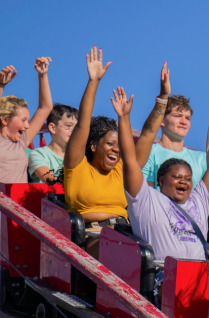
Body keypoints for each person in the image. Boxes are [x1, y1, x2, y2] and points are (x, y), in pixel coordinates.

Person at [113, 73, 209, 261]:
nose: (184, 182)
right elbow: (131, 161)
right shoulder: (147, 200)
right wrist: (124, 119)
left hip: (196, 280)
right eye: (177, 177)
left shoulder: (198, 202)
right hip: (161, 280)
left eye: (187, 179)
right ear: (161, 180)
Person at [63, 47, 126, 255]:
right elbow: (82, 125)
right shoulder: (77, 167)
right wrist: (94, 81)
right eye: (109, 144)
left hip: (126, 232)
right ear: (93, 146)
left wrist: (162, 98)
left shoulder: (120, 169)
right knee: (118, 251)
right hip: (92, 235)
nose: (116, 150)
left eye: (118, 145)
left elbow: (145, 139)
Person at [0, 58, 53, 186]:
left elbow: (45, 108)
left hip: (18, 205)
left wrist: (42, 74)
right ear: (5, 120)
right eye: (23, 120)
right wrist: (0, 85)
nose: (27, 126)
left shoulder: (21, 141)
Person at [140, 86, 209, 189]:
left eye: (188, 118)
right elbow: (145, 195)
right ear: (162, 121)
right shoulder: (149, 153)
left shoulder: (200, 159)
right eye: (177, 115)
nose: (184, 121)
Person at [28, 103, 78, 183]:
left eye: (76, 127)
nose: (74, 131)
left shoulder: (80, 158)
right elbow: (49, 179)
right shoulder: (39, 154)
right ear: (53, 128)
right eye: (68, 126)